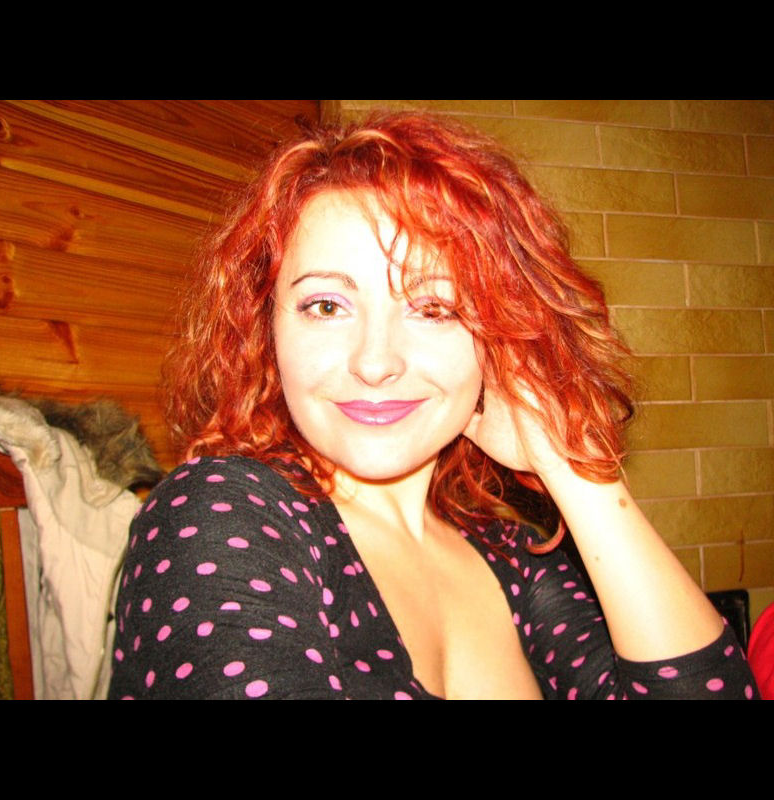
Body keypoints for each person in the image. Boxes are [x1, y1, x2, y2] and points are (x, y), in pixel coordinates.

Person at [108, 112, 759, 700]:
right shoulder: (219, 511)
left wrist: (573, 465)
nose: (375, 362)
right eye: (326, 306)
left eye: (434, 308)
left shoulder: (508, 556)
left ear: (499, 337)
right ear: (266, 329)